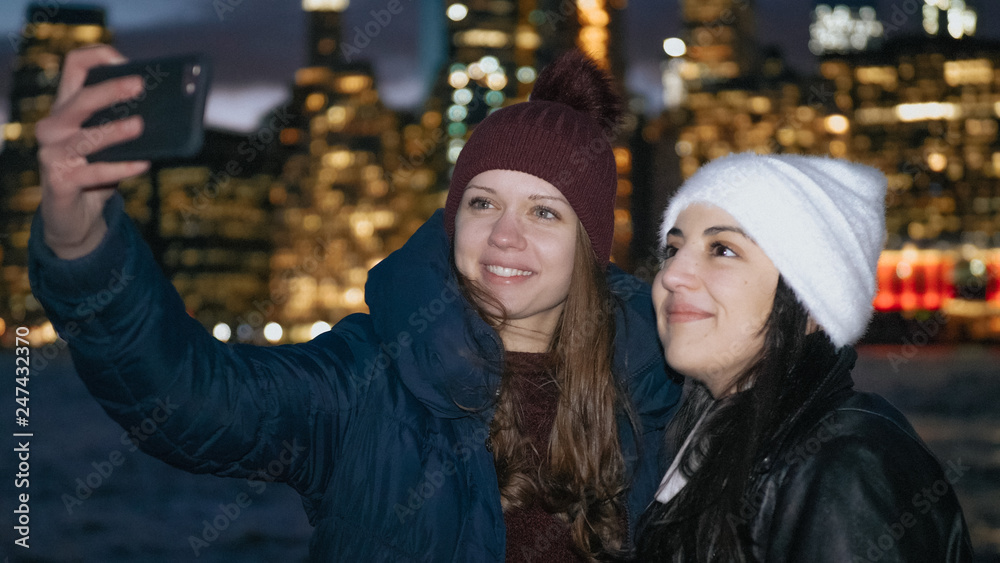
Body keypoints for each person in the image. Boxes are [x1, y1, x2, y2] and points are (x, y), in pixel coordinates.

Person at [29, 45, 681, 561]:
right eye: (483, 202)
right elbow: (187, 396)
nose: (504, 234)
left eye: (543, 211)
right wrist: (81, 235)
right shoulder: (371, 378)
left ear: (591, 247)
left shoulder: (664, 391)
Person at [636, 152, 974, 562]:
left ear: (812, 300)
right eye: (673, 248)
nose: (671, 275)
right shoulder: (708, 440)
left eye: (722, 249)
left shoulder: (846, 468)